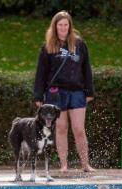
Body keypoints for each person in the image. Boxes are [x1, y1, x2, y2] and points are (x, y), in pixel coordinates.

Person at [33, 10, 95, 172]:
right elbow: (41, 72)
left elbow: (86, 68)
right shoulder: (48, 47)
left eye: (65, 25)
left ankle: (85, 164)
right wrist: (38, 95)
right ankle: (64, 165)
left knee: (79, 129)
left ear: (70, 26)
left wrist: (89, 91)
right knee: (61, 128)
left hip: (77, 91)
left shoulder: (80, 45)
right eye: (60, 25)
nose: (63, 28)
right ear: (55, 26)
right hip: (56, 93)